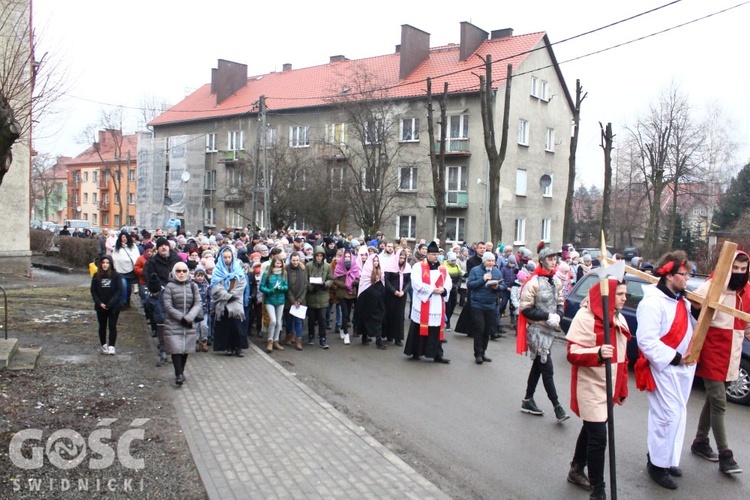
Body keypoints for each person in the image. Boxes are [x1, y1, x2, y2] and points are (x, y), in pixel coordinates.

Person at [635, 250, 695, 490]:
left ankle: (668, 459)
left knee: (678, 415)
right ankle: (657, 465)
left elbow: (691, 327)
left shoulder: (683, 301)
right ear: (669, 275)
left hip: (683, 369)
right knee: (666, 416)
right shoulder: (652, 302)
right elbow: (647, 341)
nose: (687, 279)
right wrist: (675, 357)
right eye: (684, 274)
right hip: (664, 368)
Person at [566, 278, 631, 500]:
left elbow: (622, 359)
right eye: (620, 294)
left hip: (608, 386)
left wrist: (621, 387)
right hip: (590, 386)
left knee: (591, 429)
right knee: (599, 437)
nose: (624, 298)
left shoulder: (619, 318)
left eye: (625, 294)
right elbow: (572, 353)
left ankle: (576, 469)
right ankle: (598, 489)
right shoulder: (584, 317)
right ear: (606, 297)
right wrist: (597, 353)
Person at [687, 251, 750, 475]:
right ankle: (726, 455)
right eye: (736, 268)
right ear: (727, 267)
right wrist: (700, 306)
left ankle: (700, 441)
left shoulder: (746, 290)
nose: (739, 273)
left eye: (743, 269)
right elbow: (693, 302)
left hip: (731, 355)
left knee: (713, 400)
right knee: (720, 403)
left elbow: (745, 324)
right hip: (712, 353)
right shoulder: (713, 284)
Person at [517, 246, 569, 422]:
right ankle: (557, 407)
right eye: (550, 258)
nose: (553, 261)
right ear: (542, 261)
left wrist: (558, 315)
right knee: (547, 368)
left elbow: (561, 301)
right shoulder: (533, 282)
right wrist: (547, 316)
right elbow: (525, 309)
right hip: (537, 330)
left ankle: (527, 400)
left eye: (555, 259)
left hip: (550, 330)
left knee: (538, 366)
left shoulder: (556, 281)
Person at [404, 241, 452, 363]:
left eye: (437, 254)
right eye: (433, 254)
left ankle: (437, 354)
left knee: (436, 329)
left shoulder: (443, 268)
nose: (436, 256)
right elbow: (415, 282)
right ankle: (416, 352)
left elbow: (448, 282)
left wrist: (444, 289)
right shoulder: (418, 266)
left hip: (437, 303)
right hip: (423, 302)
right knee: (419, 327)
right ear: (428, 255)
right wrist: (431, 290)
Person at [162, 262, 203, 385]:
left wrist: (189, 317)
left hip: (189, 322)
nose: (181, 273)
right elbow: (168, 306)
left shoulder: (193, 286)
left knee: (185, 349)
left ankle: (181, 371)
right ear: (174, 272)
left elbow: (198, 303)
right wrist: (181, 317)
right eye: (179, 271)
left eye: (184, 271)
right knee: (176, 349)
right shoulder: (169, 286)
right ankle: (178, 374)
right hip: (174, 322)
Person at [211, 245, 248, 357]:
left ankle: (238, 347)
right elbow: (215, 286)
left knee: (237, 326)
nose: (227, 259)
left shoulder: (238, 269)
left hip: (235, 301)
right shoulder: (217, 270)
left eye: (229, 257)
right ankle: (227, 347)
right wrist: (226, 295)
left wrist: (232, 295)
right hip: (223, 301)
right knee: (225, 325)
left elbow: (242, 284)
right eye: (225, 257)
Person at [467, 252, 504, 364]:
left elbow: (503, 286)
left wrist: (497, 287)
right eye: (489, 261)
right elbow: (470, 285)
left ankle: (483, 352)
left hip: (491, 305)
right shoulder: (475, 270)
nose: (491, 263)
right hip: (477, 304)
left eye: (493, 261)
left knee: (487, 330)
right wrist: (482, 280)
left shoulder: (497, 271)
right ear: (484, 261)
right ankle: (477, 354)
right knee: (479, 329)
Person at [90, 255, 123, 355]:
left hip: (113, 306)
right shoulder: (96, 276)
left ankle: (112, 346)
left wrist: (110, 304)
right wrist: (99, 303)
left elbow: (119, 291)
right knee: (102, 326)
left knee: (112, 326)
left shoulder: (116, 276)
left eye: (107, 263)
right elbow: (93, 291)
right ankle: (103, 344)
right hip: (101, 306)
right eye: (103, 263)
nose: (105, 265)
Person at [356, 253, 387, 348]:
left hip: (378, 301)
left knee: (379, 318)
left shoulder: (380, 271)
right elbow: (364, 287)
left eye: (377, 261)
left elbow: (382, 284)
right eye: (374, 261)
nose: (376, 262)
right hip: (367, 300)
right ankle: (364, 336)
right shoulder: (366, 272)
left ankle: (378, 340)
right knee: (366, 317)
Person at [260, 255, 289, 353]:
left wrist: (282, 288)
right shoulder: (267, 273)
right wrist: (270, 290)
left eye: (280, 263)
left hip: (280, 299)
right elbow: (261, 287)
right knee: (273, 320)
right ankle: (270, 340)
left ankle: (276, 340)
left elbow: (286, 286)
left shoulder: (284, 273)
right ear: (273, 264)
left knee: (279, 321)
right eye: (277, 263)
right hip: (270, 299)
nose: (279, 265)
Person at [306, 245, 333, 349]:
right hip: (312, 295)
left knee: (322, 319)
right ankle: (311, 335)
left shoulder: (327, 266)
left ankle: (322, 338)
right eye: (317, 256)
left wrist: (325, 284)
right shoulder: (308, 266)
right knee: (311, 319)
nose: (319, 258)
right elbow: (305, 280)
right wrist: (310, 286)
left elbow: (331, 279)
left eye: (321, 256)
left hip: (322, 295)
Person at [384, 247, 412, 346]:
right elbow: (386, 280)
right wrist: (394, 291)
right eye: (400, 257)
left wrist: (403, 291)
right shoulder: (390, 265)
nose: (402, 260)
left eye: (404, 258)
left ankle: (398, 338)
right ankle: (389, 335)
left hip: (402, 295)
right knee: (390, 314)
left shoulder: (407, 267)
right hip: (391, 294)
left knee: (399, 316)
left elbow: (409, 281)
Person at [333, 248, 360, 345]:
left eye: (349, 257)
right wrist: (344, 284)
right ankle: (346, 333)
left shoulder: (354, 266)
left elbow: (358, 279)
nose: (347, 259)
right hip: (342, 293)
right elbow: (334, 279)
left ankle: (341, 328)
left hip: (351, 293)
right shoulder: (339, 266)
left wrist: (352, 282)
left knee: (348, 314)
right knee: (344, 313)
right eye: (346, 257)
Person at [112, 231, 141, 310]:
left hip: (130, 270)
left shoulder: (133, 246)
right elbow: (114, 257)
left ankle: (127, 301)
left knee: (128, 288)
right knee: (123, 286)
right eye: (122, 237)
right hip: (120, 270)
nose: (124, 239)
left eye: (125, 237)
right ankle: (123, 303)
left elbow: (136, 256)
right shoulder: (117, 247)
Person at [144, 272, 168, 366]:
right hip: (159, 321)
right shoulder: (148, 299)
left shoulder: (166, 294)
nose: (154, 294)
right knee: (161, 338)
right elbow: (149, 311)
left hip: (169, 319)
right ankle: (163, 355)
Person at [284, 253, 307, 350]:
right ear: (290, 260)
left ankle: (298, 340)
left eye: (297, 260)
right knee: (289, 320)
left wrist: (299, 300)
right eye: (293, 260)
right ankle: (289, 335)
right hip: (289, 300)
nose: (295, 262)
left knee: (299, 321)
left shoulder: (303, 270)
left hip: (300, 300)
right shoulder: (286, 270)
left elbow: (305, 286)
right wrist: (293, 300)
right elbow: (286, 286)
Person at [193, 266, 211, 352]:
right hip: (195, 311)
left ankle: (204, 341)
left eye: (202, 276)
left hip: (204, 310)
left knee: (204, 326)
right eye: (198, 276)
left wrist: (210, 307)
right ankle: (196, 342)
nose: (200, 278)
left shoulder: (206, 285)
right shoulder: (192, 285)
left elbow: (209, 297)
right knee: (195, 327)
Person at [444, 251, 462, 332]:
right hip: (447, 289)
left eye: (454, 260)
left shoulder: (457, 266)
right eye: (452, 260)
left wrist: (457, 285)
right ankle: (448, 323)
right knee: (448, 306)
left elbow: (460, 276)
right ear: (448, 260)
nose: (453, 262)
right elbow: (445, 278)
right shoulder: (444, 266)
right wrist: (452, 286)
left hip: (454, 290)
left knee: (453, 306)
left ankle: (447, 319)